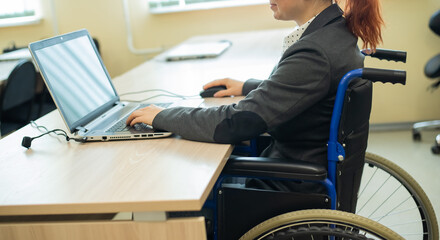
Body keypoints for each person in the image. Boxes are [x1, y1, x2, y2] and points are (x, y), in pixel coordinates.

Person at [126, 0, 384, 168]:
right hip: (302, 161)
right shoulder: (332, 32)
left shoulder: (315, 51)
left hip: (287, 182)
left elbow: (237, 123)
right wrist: (248, 87)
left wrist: (163, 116)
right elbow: (306, 87)